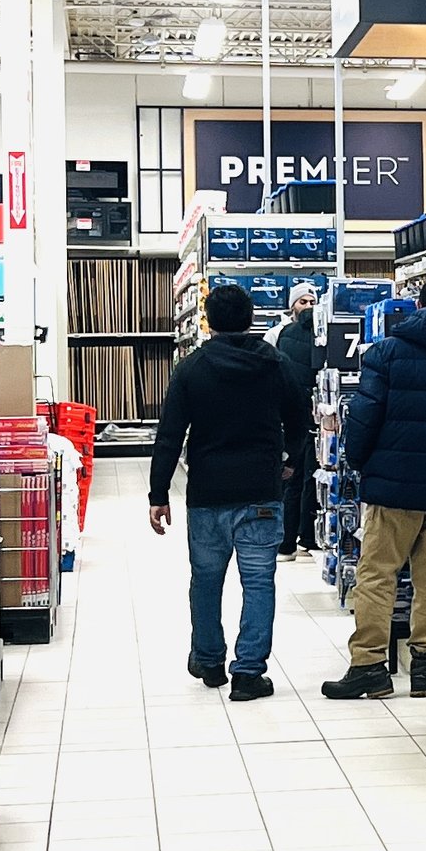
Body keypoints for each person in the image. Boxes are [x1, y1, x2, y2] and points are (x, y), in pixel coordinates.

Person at [147, 281, 308, 700]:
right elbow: (300, 418)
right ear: (251, 318)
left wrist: (158, 493)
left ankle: (209, 660)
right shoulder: (277, 363)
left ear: (209, 321)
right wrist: (288, 459)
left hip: (208, 493)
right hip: (261, 490)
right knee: (258, 583)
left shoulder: (192, 369)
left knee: (206, 580)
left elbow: (169, 435)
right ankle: (249, 673)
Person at [322, 290, 426, 700]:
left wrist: (355, 460)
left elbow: (365, 412)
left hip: (393, 484)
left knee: (377, 574)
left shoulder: (386, 352)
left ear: (416, 307)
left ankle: (369, 665)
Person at [275, 282, 323, 560]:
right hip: (316, 416)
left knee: (293, 478)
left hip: (293, 416)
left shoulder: (284, 334)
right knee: (309, 479)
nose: (307, 306)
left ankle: (288, 543)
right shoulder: (322, 334)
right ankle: (308, 538)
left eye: (311, 301)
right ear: (292, 304)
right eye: (302, 301)